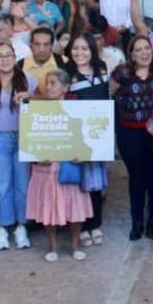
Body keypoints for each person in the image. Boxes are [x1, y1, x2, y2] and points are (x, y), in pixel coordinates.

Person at [26, 70, 93, 261]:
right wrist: (37, 157)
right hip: (45, 168)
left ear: (65, 87)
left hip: (69, 166)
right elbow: (30, 140)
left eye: (53, 83)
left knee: (75, 207)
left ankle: (74, 245)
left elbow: (86, 139)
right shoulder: (36, 110)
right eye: (47, 83)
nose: (48, 87)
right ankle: (52, 246)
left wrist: (83, 156)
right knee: (48, 207)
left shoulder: (78, 110)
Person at [110, 35, 153, 241]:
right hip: (129, 133)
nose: (144, 52)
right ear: (131, 54)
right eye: (138, 49)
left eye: (147, 48)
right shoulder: (121, 73)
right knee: (136, 177)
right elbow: (109, 94)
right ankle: (137, 222)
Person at [0, 43, 34, 251]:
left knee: (22, 184)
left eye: (8, 55)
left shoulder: (27, 79)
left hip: (23, 137)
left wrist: (31, 97)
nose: (4, 59)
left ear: (15, 56)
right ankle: (2, 227)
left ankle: (21, 226)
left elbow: (44, 100)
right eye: (0, 56)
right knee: (2, 185)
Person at [62, 32, 110, 247]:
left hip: (98, 135)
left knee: (95, 183)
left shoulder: (102, 69)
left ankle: (96, 224)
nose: (79, 52)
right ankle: (81, 226)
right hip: (76, 136)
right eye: (75, 48)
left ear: (92, 50)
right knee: (78, 184)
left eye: (84, 48)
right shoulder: (65, 73)